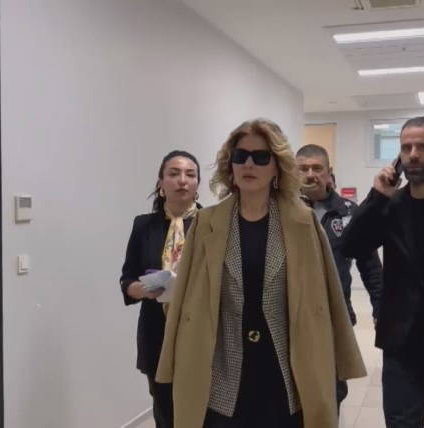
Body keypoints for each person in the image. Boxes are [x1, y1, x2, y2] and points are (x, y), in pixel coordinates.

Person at [156, 118, 366, 428]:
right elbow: (183, 297)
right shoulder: (207, 223)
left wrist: (341, 359)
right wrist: (171, 360)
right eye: (240, 156)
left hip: (284, 371)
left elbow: (328, 298)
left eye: (261, 156)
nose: (249, 164)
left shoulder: (303, 222)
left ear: (276, 167)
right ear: (230, 165)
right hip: (223, 372)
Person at [342, 116, 424, 428]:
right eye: (406, 147)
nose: (413, 154)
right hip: (402, 342)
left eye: (423, 147)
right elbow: (350, 245)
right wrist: (377, 196)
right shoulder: (389, 205)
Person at [295, 144, 384, 411]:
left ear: (328, 172)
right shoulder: (280, 209)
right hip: (290, 316)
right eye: (303, 168)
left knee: (332, 391)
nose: (310, 174)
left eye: (317, 168)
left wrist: (380, 308)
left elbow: (370, 266)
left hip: (335, 317)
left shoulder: (348, 212)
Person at [119, 150, 202, 428]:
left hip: (201, 330)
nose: (182, 180)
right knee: (165, 410)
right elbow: (127, 279)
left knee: (204, 410)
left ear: (197, 184)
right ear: (161, 183)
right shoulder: (144, 225)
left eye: (190, 174)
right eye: (174, 173)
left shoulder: (211, 224)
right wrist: (142, 289)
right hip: (157, 330)